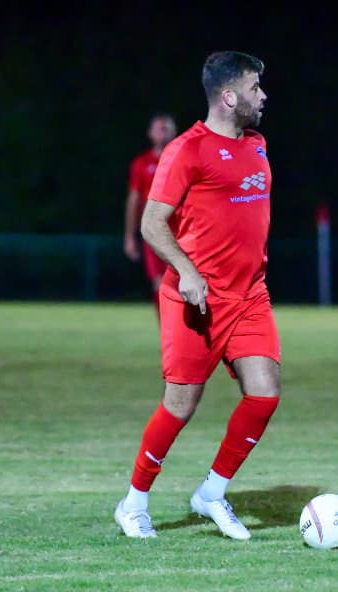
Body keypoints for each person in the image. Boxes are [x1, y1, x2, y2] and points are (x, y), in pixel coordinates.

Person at [114, 51, 279, 541]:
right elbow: (151, 223)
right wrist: (186, 270)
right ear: (228, 97)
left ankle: (211, 492)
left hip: (250, 295)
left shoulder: (258, 145)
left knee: (264, 394)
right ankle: (133, 502)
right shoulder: (186, 150)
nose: (262, 96)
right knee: (180, 405)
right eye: (254, 88)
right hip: (197, 300)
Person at [124, 113, 178, 317]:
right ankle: (167, 328)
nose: (163, 132)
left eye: (167, 128)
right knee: (159, 283)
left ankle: (185, 329)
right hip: (155, 231)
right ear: (150, 133)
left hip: (181, 231)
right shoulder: (141, 163)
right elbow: (134, 200)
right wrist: (130, 236)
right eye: (159, 128)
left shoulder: (182, 159)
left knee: (183, 280)